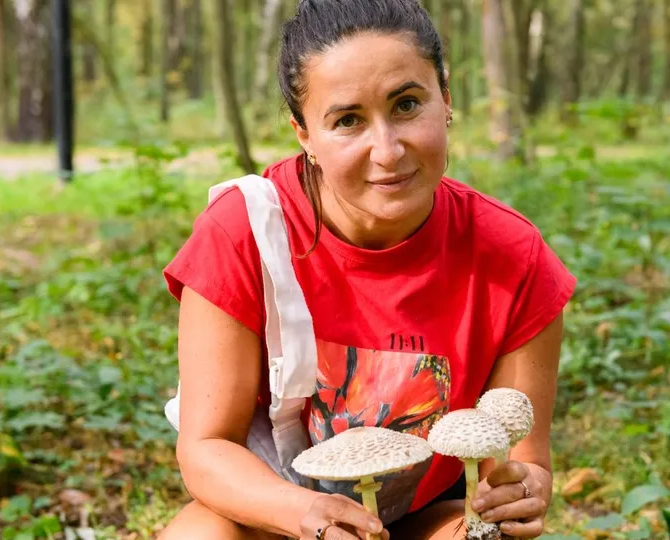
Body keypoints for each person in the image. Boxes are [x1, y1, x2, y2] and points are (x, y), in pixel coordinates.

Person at [157, 1, 575, 538]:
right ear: (304, 134)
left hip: (430, 519)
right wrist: (307, 515)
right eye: (348, 121)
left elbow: (521, 460)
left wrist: (523, 490)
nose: (388, 150)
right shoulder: (245, 233)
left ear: (446, 98)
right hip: (279, 515)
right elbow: (206, 448)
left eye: (407, 105)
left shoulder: (511, 255)